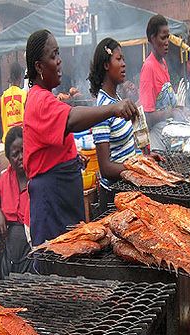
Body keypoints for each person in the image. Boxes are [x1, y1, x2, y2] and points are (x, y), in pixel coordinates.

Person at [24, 29, 138, 246]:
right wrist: (113, 109)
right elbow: (70, 120)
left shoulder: (46, 97)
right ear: (39, 66)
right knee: (57, 264)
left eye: (58, 54)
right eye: (53, 55)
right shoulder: (39, 100)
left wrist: (71, 157)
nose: (59, 61)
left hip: (63, 194)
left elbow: (50, 145)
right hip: (52, 202)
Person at [89, 37, 150, 212]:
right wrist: (139, 167)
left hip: (127, 190)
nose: (124, 64)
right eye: (118, 59)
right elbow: (106, 167)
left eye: (123, 59)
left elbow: (127, 148)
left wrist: (145, 159)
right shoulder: (103, 108)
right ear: (106, 65)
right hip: (113, 199)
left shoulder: (117, 101)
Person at [139, 15, 187, 151]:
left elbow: (165, 101)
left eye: (168, 37)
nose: (167, 42)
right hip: (156, 142)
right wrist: (171, 112)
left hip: (168, 138)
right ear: (153, 39)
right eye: (163, 38)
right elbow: (147, 116)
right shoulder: (149, 67)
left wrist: (179, 109)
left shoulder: (163, 63)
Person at [0, 126, 32, 277]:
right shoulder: (5, 179)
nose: (21, 157)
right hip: (10, 253)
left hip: (32, 251)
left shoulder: (37, 177)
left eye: (23, 151)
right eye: (15, 154)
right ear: (9, 158)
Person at [0, 62, 27, 144]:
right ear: (20, 77)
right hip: (22, 139)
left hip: (8, 141)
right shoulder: (24, 94)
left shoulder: (4, 95)